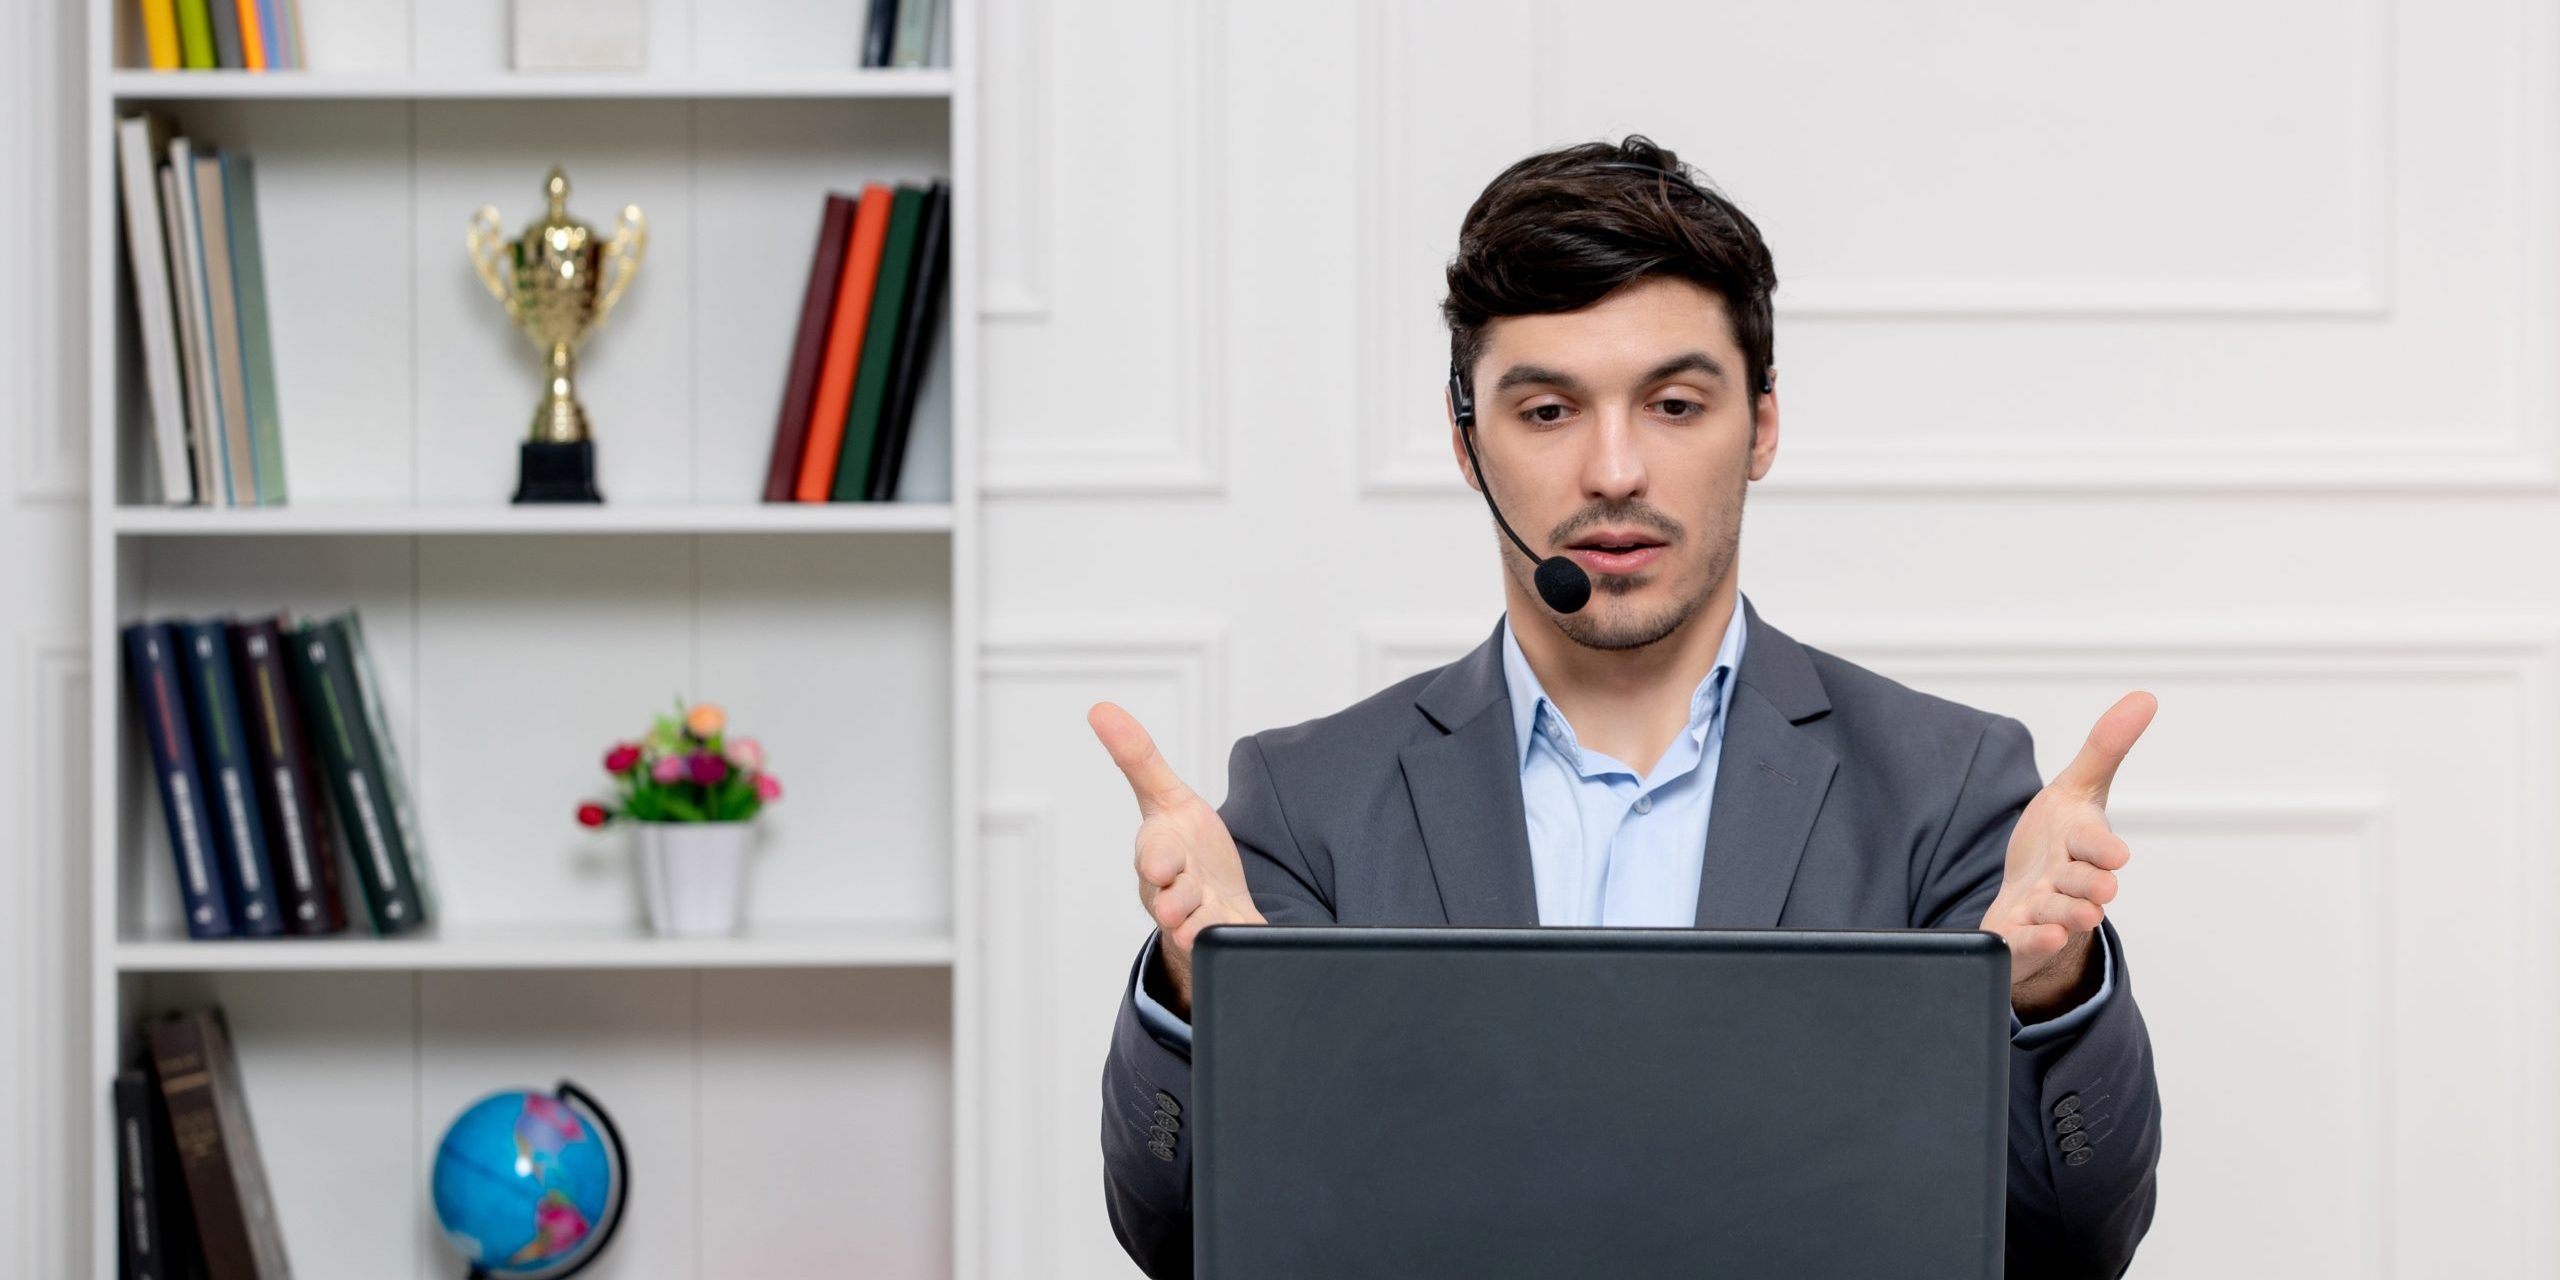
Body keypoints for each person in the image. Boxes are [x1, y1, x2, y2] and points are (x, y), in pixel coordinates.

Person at [1088, 134, 2161, 1278]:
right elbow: (1180, 1234)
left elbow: (2068, 1242)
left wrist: (2053, 993)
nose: (1612, 471)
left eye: (1674, 404)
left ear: (1761, 425)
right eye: (1547, 411)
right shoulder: (1310, 802)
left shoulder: (1944, 786)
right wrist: (1198, 1000)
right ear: (1466, 442)